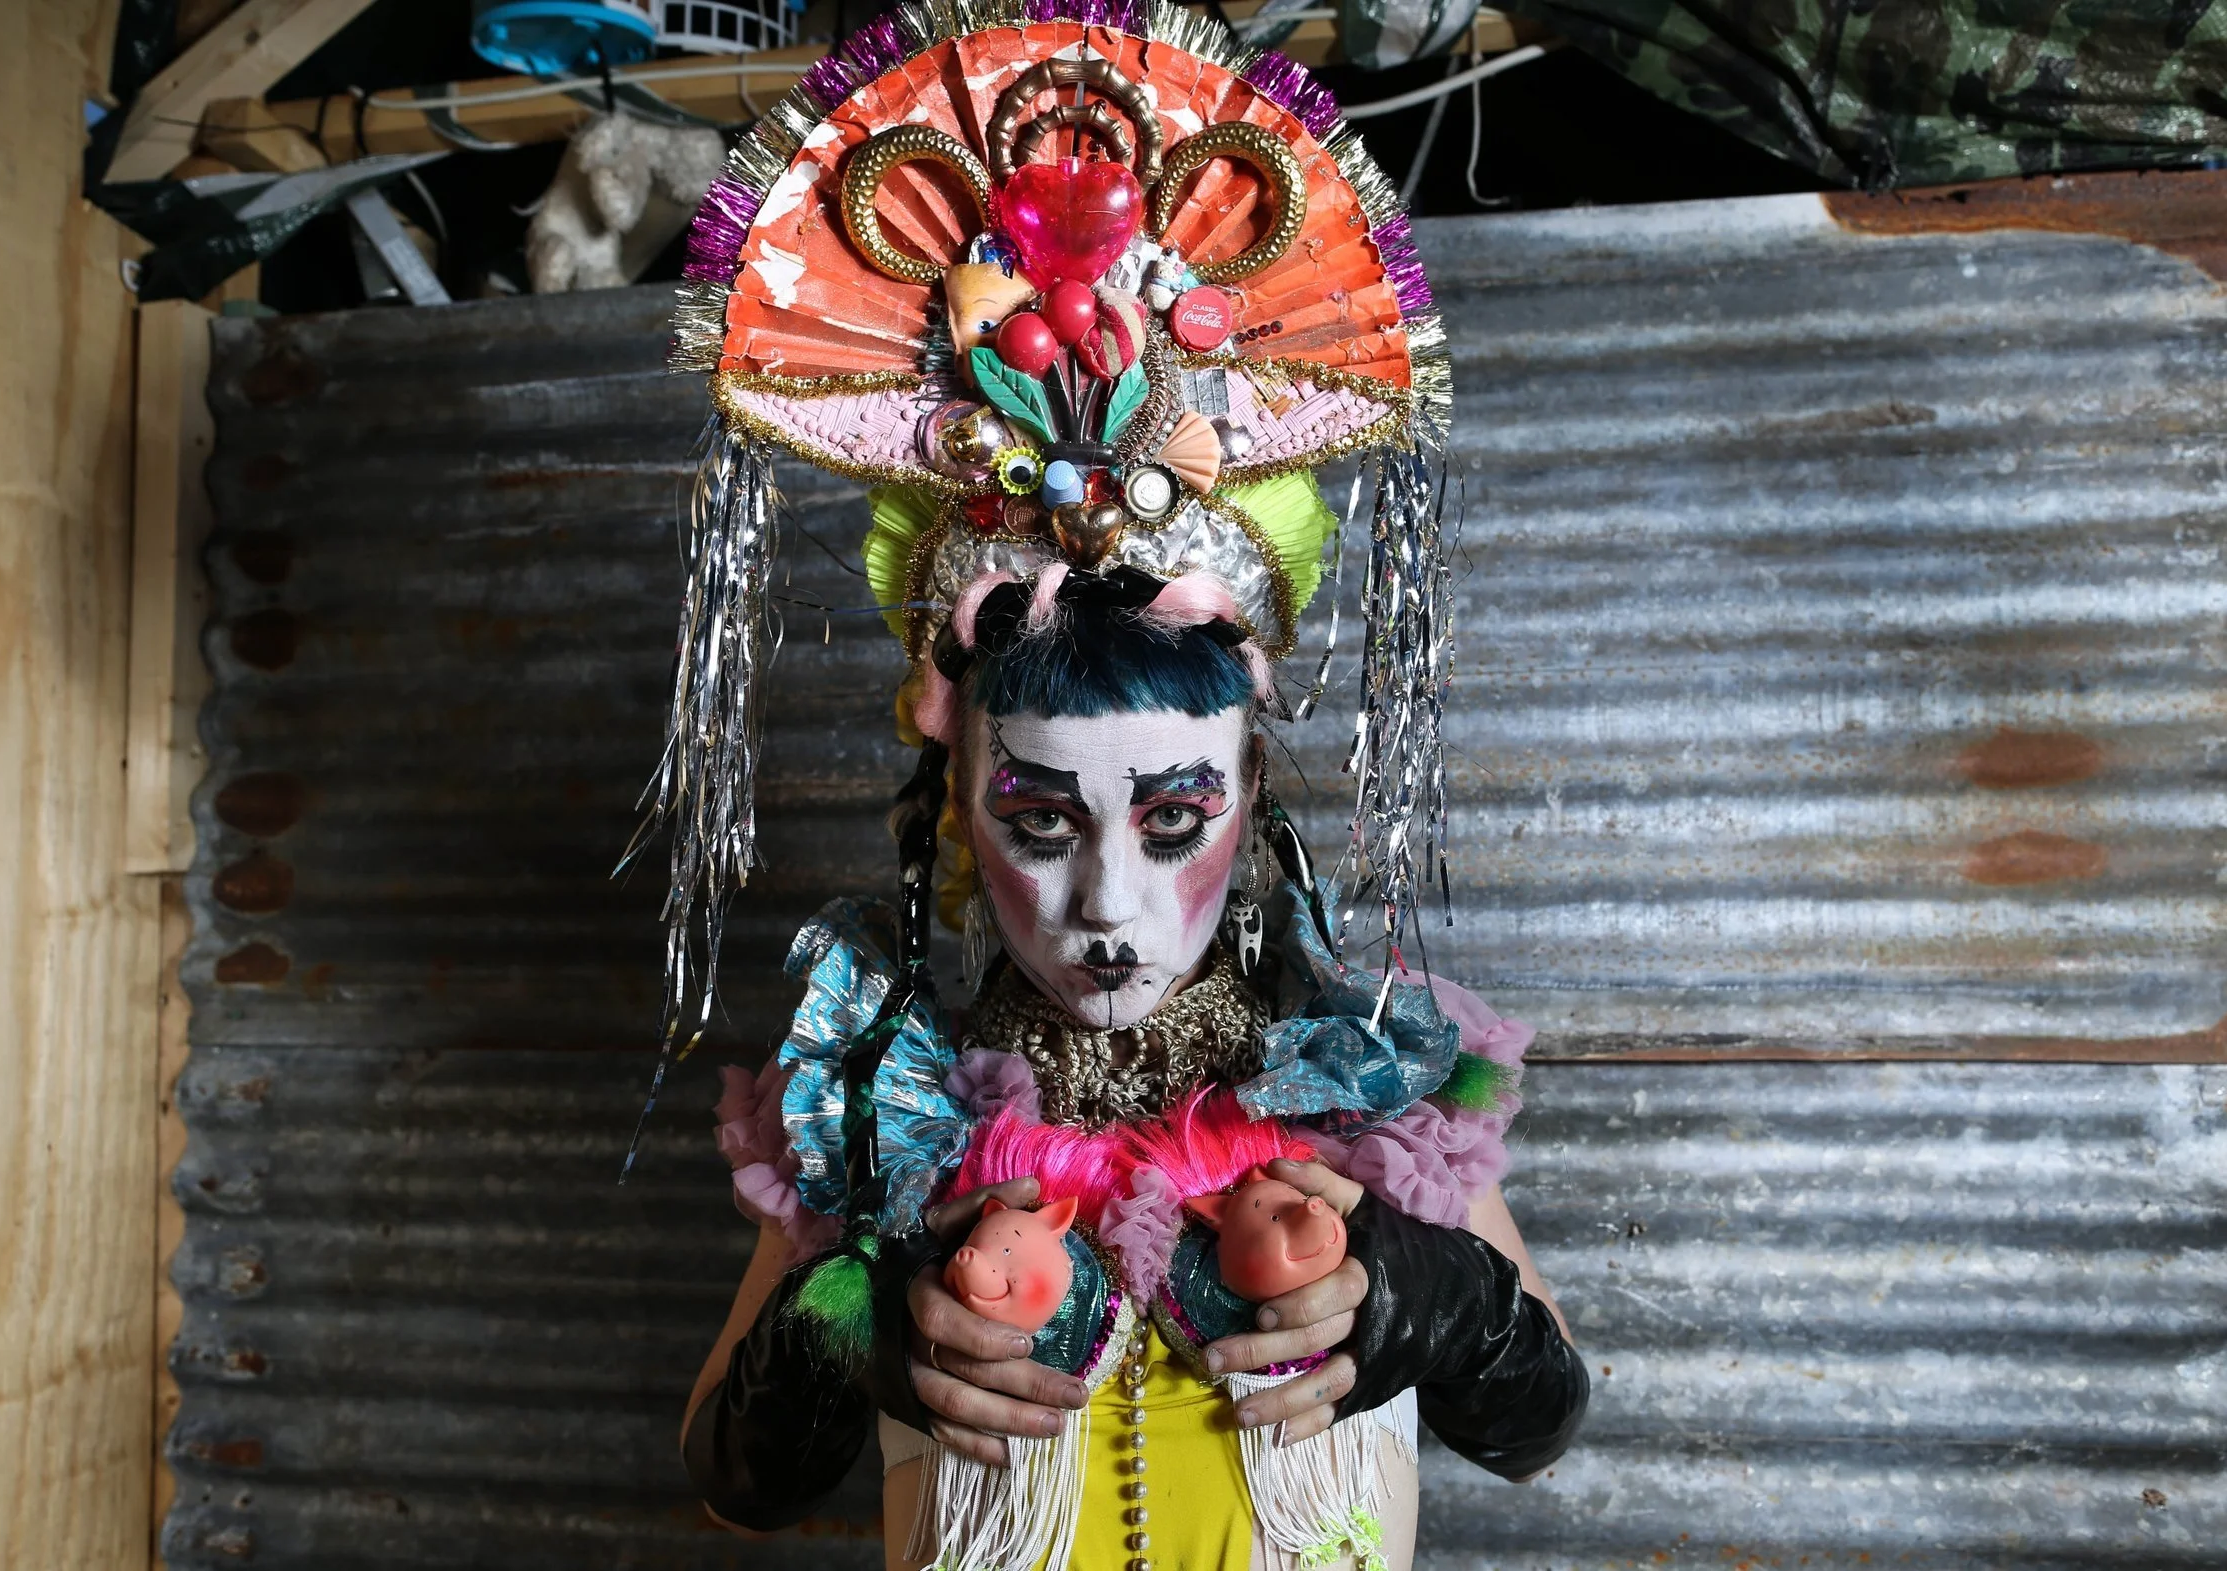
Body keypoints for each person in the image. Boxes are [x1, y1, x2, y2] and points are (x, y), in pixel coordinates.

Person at [629, 0, 1591, 1563]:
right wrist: (855, 1320)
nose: (1107, 911)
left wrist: (1421, 1291)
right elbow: (733, 1470)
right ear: (958, 801)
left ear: (1248, 784)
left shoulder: (1353, 1088)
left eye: (1173, 816)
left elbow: (1537, 1418)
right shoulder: (889, 1110)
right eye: (1037, 818)